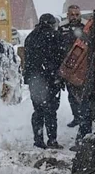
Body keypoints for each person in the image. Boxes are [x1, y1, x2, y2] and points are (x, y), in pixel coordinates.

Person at [23, 13, 66, 149]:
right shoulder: (55, 36)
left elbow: (27, 59)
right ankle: (52, 140)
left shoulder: (31, 37)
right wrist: (59, 76)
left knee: (38, 110)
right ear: (52, 24)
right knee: (51, 111)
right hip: (51, 79)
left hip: (35, 80)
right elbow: (61, 57)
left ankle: (38, 140)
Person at [58, 5, 87, 128]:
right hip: (68, 66)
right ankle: (76, 117)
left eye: (77, 14)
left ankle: (85, 119)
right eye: (72, 14)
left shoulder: (86, 26)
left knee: (84, 94)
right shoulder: (62, 28)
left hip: (83, 66)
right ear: (67, 15)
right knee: (71, 94)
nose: (74, 17)